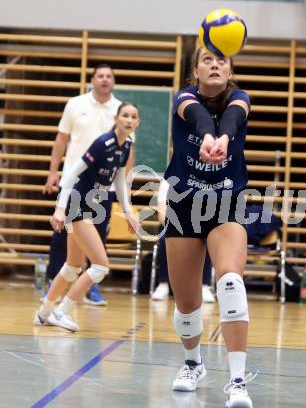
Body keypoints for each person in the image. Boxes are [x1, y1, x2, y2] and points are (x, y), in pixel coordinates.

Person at [162, 46, 255, 408]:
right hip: (184, 203)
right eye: (206, 60)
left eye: (222, 60)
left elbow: (231, 118)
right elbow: (198, 115)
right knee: (187, 305)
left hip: (226, 203)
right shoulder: (183, 98)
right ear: (195, 71)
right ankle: (193, 363)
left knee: (230, 281)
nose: (214, 64)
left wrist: (223, 140)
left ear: (230, 70)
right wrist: (207, 137)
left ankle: (236, 381)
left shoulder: (241, 99)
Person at [34, 102, 140, 332]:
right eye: (125, 115)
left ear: (137, 122)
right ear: (117, 117)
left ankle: (43, 313)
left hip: (94, 206)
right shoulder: (103, 143)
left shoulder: (127, 145)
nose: (129, 120)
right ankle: (61, 312)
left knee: (73, 265)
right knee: (101, 266)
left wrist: (129, 212)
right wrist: (60, 209)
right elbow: (72, 173)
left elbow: (119, 180)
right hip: (77, 204)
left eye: (133, 117)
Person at [43, 63, 135, 306]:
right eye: (100, 75)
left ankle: (87, 289)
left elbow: (125, 159)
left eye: (109, 76)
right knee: (63, 238)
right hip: (76, 185)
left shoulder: (121, 112)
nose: (104, 79)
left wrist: (128, 202)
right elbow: (62, 139)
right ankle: (54, 292)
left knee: (95, 243)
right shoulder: (75, 104)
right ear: (93, 79)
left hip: (103, 191)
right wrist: (54, 172)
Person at [151, 180, 216, 302]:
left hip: (198, 223)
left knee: (206, 237)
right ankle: (163, 284)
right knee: (164, 237)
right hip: (174, 223)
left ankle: (204, 285)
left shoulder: (205, 180)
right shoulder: (167, 181)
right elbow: (161, 212)